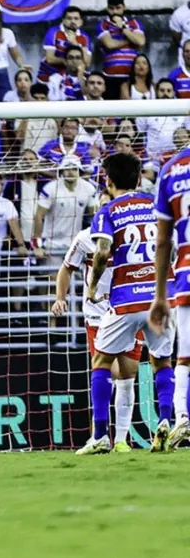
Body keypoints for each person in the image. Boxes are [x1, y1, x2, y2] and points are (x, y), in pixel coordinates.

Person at [87, 153, 176, 451]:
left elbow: (101, 252)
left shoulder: (108, 210)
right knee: (162, 362)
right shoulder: (155, 204)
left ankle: (100, 435)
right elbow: (170, 245)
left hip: (125, 299)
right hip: (161, 297)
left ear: (108, 181)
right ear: (139, 179)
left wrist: (92, 286)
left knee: (101, 361)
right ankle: (166, 421)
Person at [53, 224, 141, 454]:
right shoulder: (84, 238)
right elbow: (66, 268)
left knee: (128, 374)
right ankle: (99, 434)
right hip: (97, 315)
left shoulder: (129, 235)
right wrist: (60, 298)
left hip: (127, 309)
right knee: (107, 370)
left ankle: (120, 439)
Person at [150, 145, 190, 448]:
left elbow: (163, 241)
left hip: (185, 277)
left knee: (185, 358)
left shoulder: (170, 171)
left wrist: (160, 296)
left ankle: (182, 418)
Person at [32, 157, 100, 264]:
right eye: (67, 169)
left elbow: (96, 216)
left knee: (80, 279)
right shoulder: (50, 188)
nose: (70, 172)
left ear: (79, 171)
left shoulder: (89, 188)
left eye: (74, 169)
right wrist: (37, 245)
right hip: (52, 244)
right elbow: (38, 216)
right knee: (56, 279)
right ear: (62, 171)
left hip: (76, 244)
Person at [97, 0, 146, 100]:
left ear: (124, 7)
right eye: (111, 8)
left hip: (131, 76)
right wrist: (130, 39)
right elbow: (109, 44)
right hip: (110, 76)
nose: (115, 12)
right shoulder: (103, 24)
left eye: (118, 8)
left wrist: (123, 27)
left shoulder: (134, 23)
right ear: (107, 8)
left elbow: (140, 41)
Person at [37, 6, 89, 83]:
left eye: (76, 18)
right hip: (48, 76)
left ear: (81, 21)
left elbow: (87, 63)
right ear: (63, 20)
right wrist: (69, 62)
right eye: (69, 18)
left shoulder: (84, 36)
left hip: (70, 78)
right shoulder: (53, 32)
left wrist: (74, 43)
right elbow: (50, 59)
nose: (72, 21)